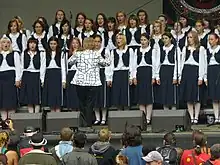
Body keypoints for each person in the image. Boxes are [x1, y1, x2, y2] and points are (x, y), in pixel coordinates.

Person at [68, 37, 110, 127]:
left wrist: (75, 55)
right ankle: (88, 124)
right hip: (93, 83)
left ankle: (83, 123)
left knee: (82, 103)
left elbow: (69, 62)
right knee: (90, 104)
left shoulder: (78, 54)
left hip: (80, 82)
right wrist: (108, 57)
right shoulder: (96, 54)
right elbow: (106, 63)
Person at [179, 31, 207, 124]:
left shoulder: (201, 48)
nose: (189, 39)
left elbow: (202, 63)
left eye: (191, 37)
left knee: (196, 96)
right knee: (189, 96)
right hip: (186, 71)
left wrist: (201, 77)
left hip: (195, 71)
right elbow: (181, 62)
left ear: (195, 38)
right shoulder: (185, 48)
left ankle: (196, 117)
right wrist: (180, 75)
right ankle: (191, 117)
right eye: (188, 37)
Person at [106, 33, 134, 110]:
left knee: (125, 95)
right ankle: (119, 114)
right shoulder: (113, 51)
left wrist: (131, 76)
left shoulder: (129, 50)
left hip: (125, 73)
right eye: (117, 38)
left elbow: (132, 64)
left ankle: (127, 113)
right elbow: (110, 65)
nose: (118, 40)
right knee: (117, 94)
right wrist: (109, 78)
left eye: (120, 38)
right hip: (116, 73)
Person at [133, 33, 156, 124]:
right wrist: (134, 76)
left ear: (148, 41)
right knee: (141, 97)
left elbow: (155, 64)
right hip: (140, 73)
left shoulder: (152, 50)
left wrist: (154, 76)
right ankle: (143, 117)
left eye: (144, 40)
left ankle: (148, 117)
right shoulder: (137, 51)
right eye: (141, 40)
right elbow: (134, 64)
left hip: (148, 72)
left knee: (148, 96)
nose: (143, 42)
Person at [19, 38, 46, 113]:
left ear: (37, 44)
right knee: (29, 98)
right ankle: (31, 115)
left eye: (34, 43)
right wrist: (20, 78)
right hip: (26, 75)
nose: (32, 45)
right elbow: (21, 66)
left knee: (36, 98)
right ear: (28, 44)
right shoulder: (24, 53)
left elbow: (42, 67)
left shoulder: (41, 53)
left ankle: (36, 115)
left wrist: (42, 79)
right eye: (30, 43)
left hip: (36, 75)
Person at [156, 32, 181, 110]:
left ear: (170, 39)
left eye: (166, 38)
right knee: (164, 92)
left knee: (172, 93)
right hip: (163, 70)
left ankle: (174, 111)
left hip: (171, 70)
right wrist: (157, 76)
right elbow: (158, 63)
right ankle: (165, 112)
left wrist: (176, 76)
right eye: (163, 39)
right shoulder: (160, 49)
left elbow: (178, 63)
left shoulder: (176, 48)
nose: (164, 40)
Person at [41, 36, 66, 112]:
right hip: (49, 75)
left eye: (54, 44)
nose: (52, 45)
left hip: (58, 75)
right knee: (51, 97)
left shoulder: (61, 54)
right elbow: (43, 67)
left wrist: (63, 80)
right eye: (51, 44)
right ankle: (52, 115)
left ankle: (58, 114)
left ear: (57, 44)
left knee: (57, 96)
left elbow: (63, 67)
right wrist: (42, 79)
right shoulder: (45, 54)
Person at [0, 37, 21, 120]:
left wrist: (17, 79)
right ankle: (4, 121)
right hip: (1, 78)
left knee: (10, 100)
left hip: (11, 77)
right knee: (2, 101)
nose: (5, 44)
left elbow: (18, 67)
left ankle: (10, 121)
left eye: (8, 42)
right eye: (3, 42)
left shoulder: (14, 54)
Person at [93, 35, 111, 125]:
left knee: (103, 96)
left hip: (102, 73)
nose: (97, 43)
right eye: (95, 41)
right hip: (93, 74)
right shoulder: (91, 51)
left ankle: (104, 118)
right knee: (94, 97)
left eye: (98, 41)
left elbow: (108, 64)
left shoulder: (105, 50)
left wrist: (108, 77)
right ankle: (97, 118)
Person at [205, 33, 220, 123]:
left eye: (212, 39)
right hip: (210, 71)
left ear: (217, 40)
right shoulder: (207, 50)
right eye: (209, 40)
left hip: (218, 70)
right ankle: (216, 116)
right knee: (214, 96)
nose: (210, 41)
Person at [65, 38, 80, 110]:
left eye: (76, 43)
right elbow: (67, 63)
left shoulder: (81, 53)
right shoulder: (68, 53)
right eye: (73, 43)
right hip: (71, 73)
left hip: (78, 73)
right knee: (72, 93)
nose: (74, 45)